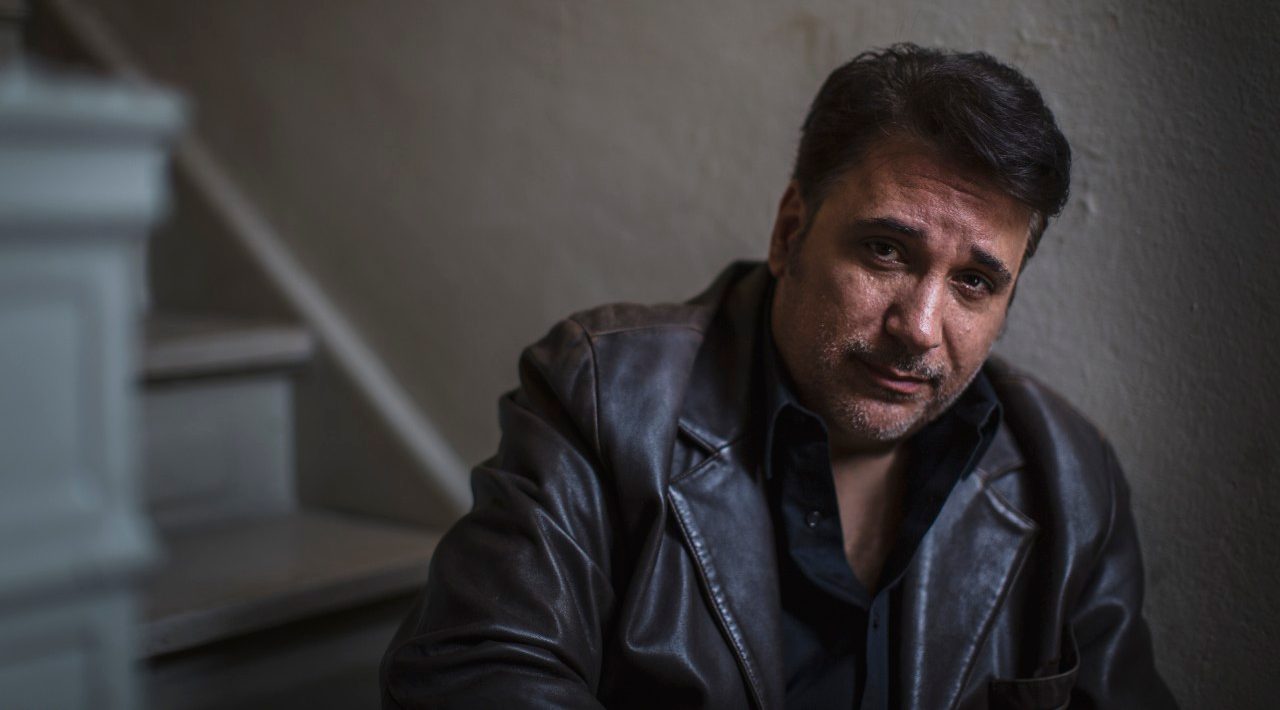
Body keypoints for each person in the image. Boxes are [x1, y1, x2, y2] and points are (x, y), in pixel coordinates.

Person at [381, 44, 1177, 709]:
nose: (919, 328)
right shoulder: (603, 395)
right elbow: (472, 676)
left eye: (975, 282)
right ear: (791, 232)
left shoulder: (1070, 477)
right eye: (885, 251)